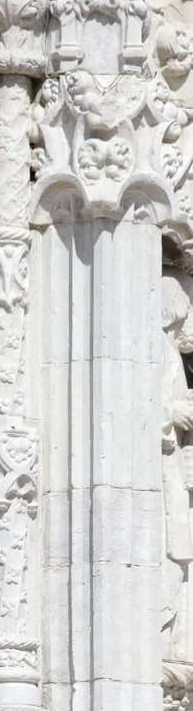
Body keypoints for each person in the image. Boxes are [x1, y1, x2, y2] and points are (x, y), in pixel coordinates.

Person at [161, 269, 193, 656]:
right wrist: (173, 415)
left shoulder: (167, 352)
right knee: (172, 563)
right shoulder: (157, 349)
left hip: (173, 471)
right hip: (162, 472)